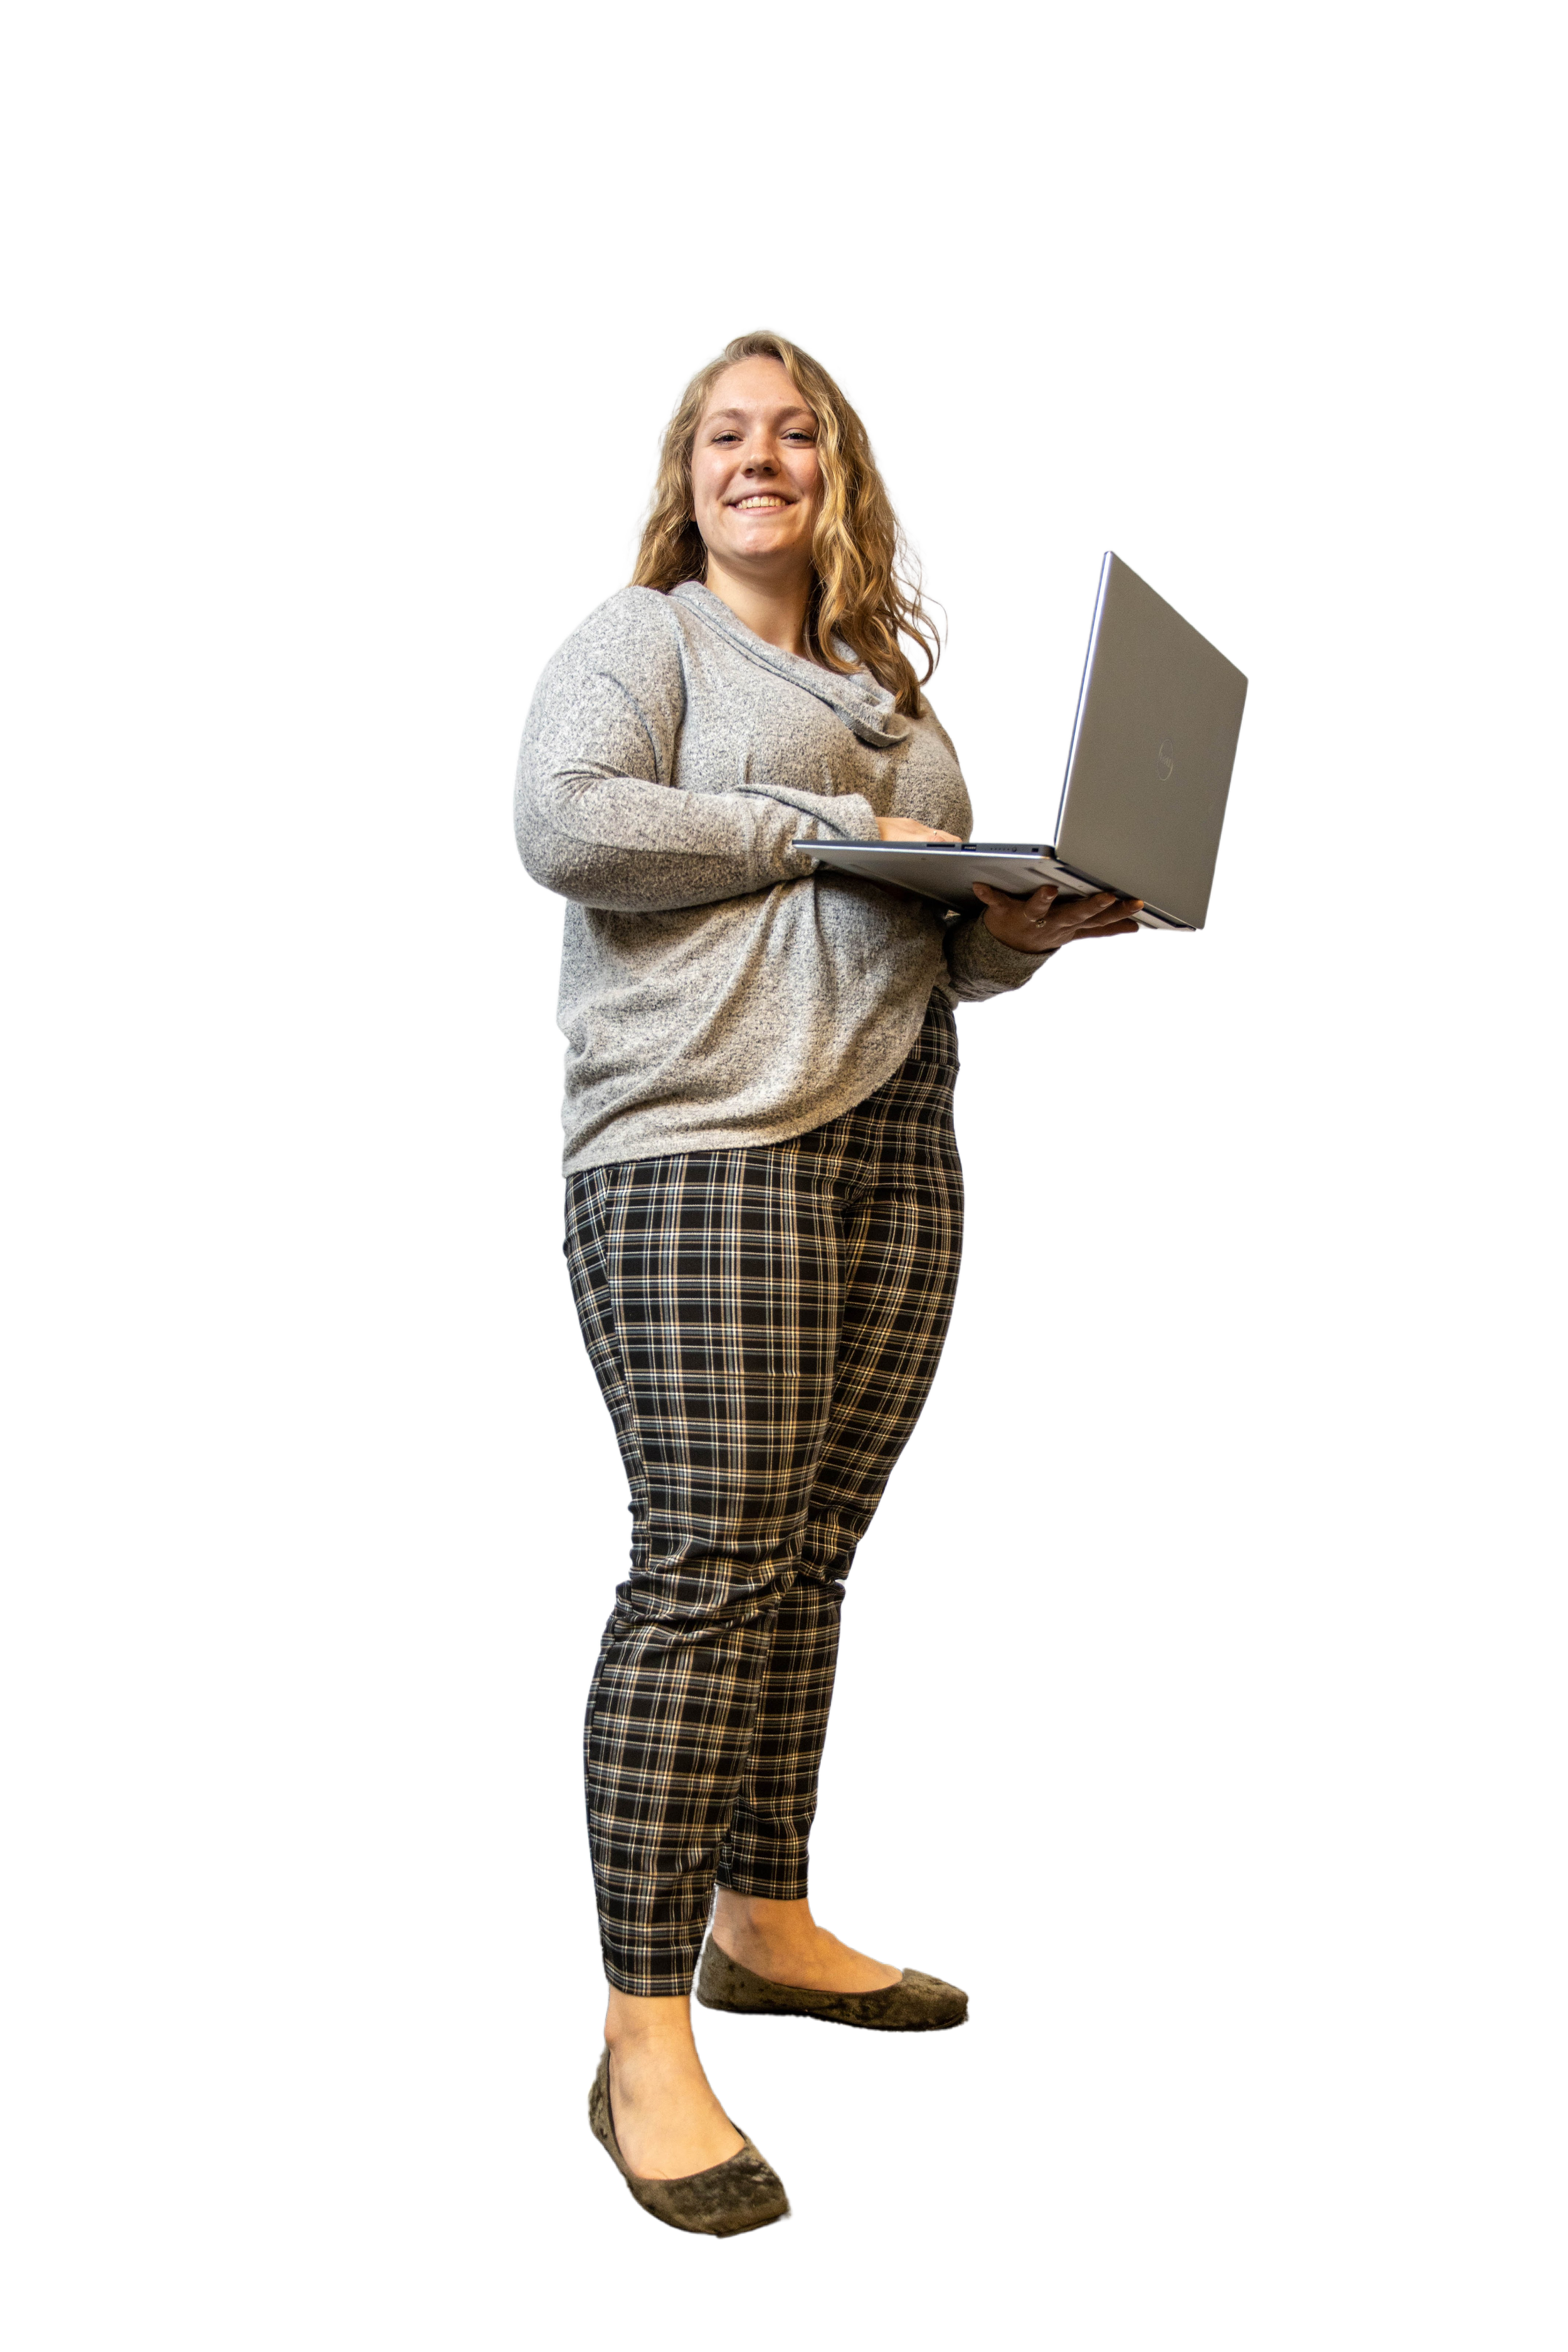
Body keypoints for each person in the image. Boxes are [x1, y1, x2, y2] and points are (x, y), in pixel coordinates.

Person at [512, 326, 1143, 2239]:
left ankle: (763, 1909)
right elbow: (562, 825)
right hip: (701, 1139)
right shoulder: (639, 642)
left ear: (841, 474)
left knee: (806, 1550)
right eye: (723, 432)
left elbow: (917, 949)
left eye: (795, 433)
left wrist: (1022, 924)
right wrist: (823, 834)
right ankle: (639, 2030)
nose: (758, 456)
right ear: (682, 472)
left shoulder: (893, 699)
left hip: (886, 1145)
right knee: (708, 1559)